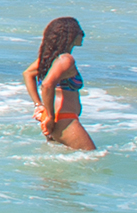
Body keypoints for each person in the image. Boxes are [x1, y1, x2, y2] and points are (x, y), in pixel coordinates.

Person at [23, 15, 96, 151]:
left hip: (56, 118)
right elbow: (47, 85)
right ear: (70, 35)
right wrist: (50, 116)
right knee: (94, 159)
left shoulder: (50, 59)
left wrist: (39, 106)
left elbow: (28, 74)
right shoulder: (66, 60)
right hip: (63, 120)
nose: (83, 35)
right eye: (80, 32)